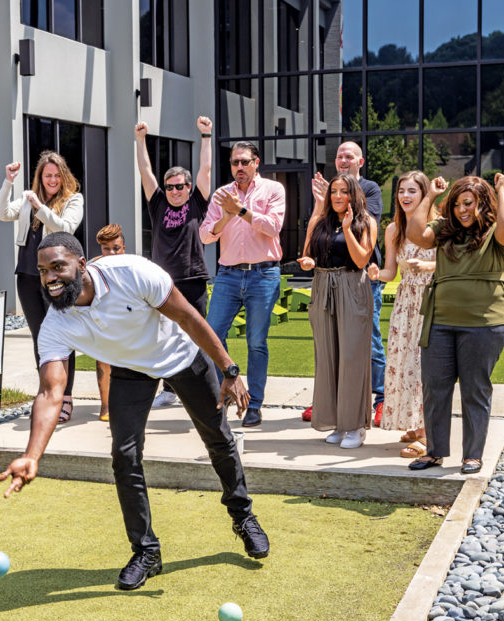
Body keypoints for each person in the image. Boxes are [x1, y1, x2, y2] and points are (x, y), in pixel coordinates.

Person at [0, 233, 270, 591]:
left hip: (180, 357)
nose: (49, 277)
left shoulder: (131, 272)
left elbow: (189, 318)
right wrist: (32, 455)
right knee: (124, 457)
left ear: (81, 264)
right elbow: (50, 391)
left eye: (58, 267)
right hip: (129, 370)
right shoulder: (56, 324)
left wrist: (229, 370)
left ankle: (243, 516)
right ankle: (146, 551)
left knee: (218, 439)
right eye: (43, 270)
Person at [405, 174, 504, 474]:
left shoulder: (495, 232)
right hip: (440, 320)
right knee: (434, 386)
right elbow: (415, 234)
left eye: (468, 203)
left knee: (474, 388)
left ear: (483, 203)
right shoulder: (445, 230)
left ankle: (472, 455)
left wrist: (501, 190)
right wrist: (430, 195)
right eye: (456, 204)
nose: (461, 210)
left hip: (484, 324)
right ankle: (434, 452)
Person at [199, 142, 286, 428]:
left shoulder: (273, 190)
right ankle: (227, 388)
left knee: (256, 342)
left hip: (263, 274)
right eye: (235, 162)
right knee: (211, 336)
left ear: (256, 162)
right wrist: (226, 215)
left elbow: (273, 227)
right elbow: (205, 236)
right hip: (228, 275)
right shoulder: (221, 194)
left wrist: (242, 211)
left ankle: (255, 405)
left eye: (245, 162)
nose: (239, 167)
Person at [0, 151, 84, 423]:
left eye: (57, 175)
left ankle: (65, 396)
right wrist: (8, 182)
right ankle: (47, 392)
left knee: (62, 334)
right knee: (40, 336)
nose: (53, 180)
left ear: (63, 175)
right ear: (40, 177)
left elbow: (66, 228)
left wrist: (39, 206)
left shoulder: (73, 199)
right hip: (27, 274)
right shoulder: (27, 198)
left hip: (56, 277)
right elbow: (1, 213)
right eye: (48, 176)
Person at [302, 141, 386, 426]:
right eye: (339, 156)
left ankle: (379, 399)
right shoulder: (327, 204)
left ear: (360, 162)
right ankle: (331, 406)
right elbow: (314, 236)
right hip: (326, 282)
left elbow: (365, 229)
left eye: (349, 156)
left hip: (358, 279)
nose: (343, 159)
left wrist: (337, 198)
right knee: (329, 348)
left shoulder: (370, 190)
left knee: (364, 345)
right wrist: (323, 201)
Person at [135, 116, 213, 408]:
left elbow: (206, 168)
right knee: (164, 336)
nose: (175, 191)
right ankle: (169, 389)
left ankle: (202, 389)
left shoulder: (197, 204)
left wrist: (206, 135)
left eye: (180, 186)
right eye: (170, 187)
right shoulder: (157, 204)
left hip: (193, 279)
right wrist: (141, 139)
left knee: (198, 335)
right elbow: (145, 170)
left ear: (189, 187)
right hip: (163, 283)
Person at [366, 171, 437, 457]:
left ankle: (428, 434)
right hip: (405, 304)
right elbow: (391, 273)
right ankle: (416, 425)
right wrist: (376, 274)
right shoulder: (394, 229)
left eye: (412, 191)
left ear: (424, 195)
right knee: (405, 364)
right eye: (401, 191)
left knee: (426, 367)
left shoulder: (438, 225)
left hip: (431, 301)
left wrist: (428, 268)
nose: (405, 197)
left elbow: (451, 266)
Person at [93, 224, 126, 422]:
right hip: (103, 319)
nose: (112, 252)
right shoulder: (93, 266)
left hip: (127, 318)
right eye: (107, 249)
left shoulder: (131, 265)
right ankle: (105, 404)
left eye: (116, 248)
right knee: (103, 360)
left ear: (123, 248)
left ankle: (125, 403)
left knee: (128, 362)